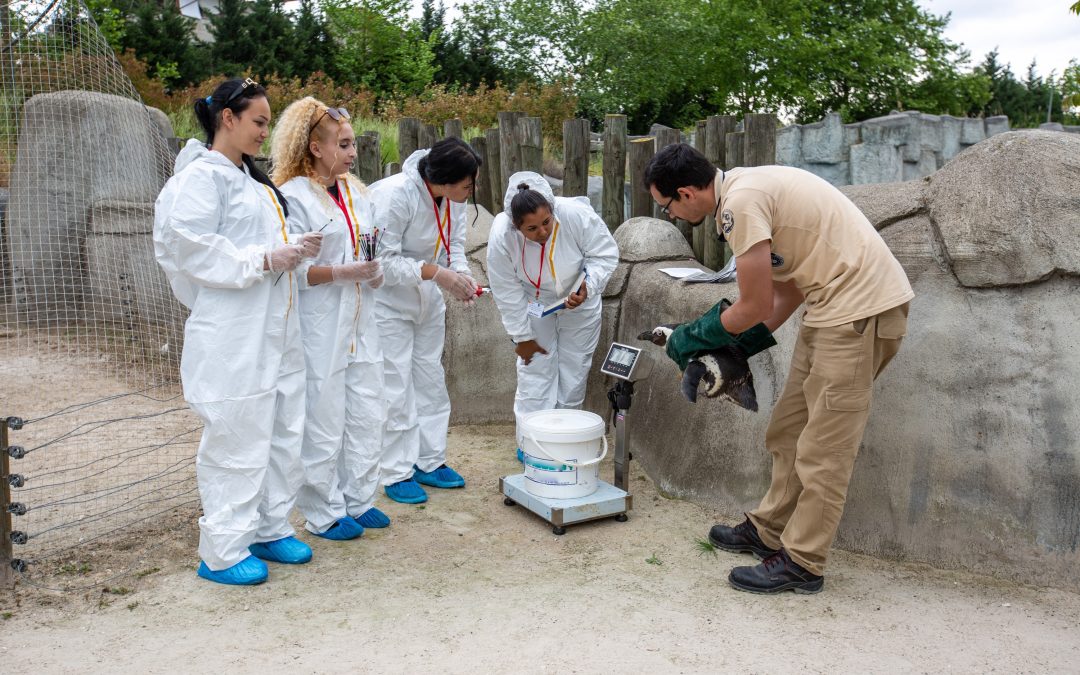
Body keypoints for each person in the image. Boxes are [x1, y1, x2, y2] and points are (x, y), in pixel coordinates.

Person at [644, 143, 913, 595]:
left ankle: (804, 562)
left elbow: (754, 303)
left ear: (687, 193)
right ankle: (768, 529)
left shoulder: (741, 205)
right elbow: (786, 293)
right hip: (829, 310)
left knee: (824, 449)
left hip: (858, 314)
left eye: (667, 205)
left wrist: (692, 337)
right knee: (789, 429)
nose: (669, 215)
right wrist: (740, 347)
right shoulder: (746, 190)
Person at [154, 78, 321, 586]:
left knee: (282, 430)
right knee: (237, 438)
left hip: (277, 327)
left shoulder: (252, 182)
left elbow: (255, 242)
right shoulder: (201, 179)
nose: (265, 134)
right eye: (259, 122)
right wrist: (264, 258)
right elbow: (187, 246)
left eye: (268, 124)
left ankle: (269, 526)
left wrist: (292, 246)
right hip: (234, 333)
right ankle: (223, 550)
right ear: (227, 118)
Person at [271, 96, 391, 541]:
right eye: (343, 144)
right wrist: (343, 272)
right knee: (323, 415)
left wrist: (371, 271)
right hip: (321, 323)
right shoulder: (294, 196)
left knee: (366, 410)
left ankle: (358, 498)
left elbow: (369, 244)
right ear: (315, 147)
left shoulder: (357, 192)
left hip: (361, 320)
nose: (352, 152)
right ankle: (323, 510)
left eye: (353, 143)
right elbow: (294, 271)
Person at [367, 138, 482, 504]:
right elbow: (381, 262)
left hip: (428, 300)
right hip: (388, 303)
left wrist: (461, 279)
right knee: (395, 385)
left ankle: (429, 460)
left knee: (431, 379)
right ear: (445, 179)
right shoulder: (395, 195)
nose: (471, 190)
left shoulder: (453, 200)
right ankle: (396, 471)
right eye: (467, 184)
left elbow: (455, 246)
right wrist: (437, 273)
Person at [486, 172, 619, 455]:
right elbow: (505, 290)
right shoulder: (501, 235)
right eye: (531, 229)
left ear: (553, 210)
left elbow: (605, 254)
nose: (542, 232)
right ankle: (530, 443)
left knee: (574, 368)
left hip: (578, 295)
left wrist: (588, 285)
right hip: (532, 300)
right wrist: (521, 336)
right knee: (535, 369)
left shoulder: (574, 214)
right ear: (515, 225)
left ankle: (563, 441)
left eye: (546, 222)